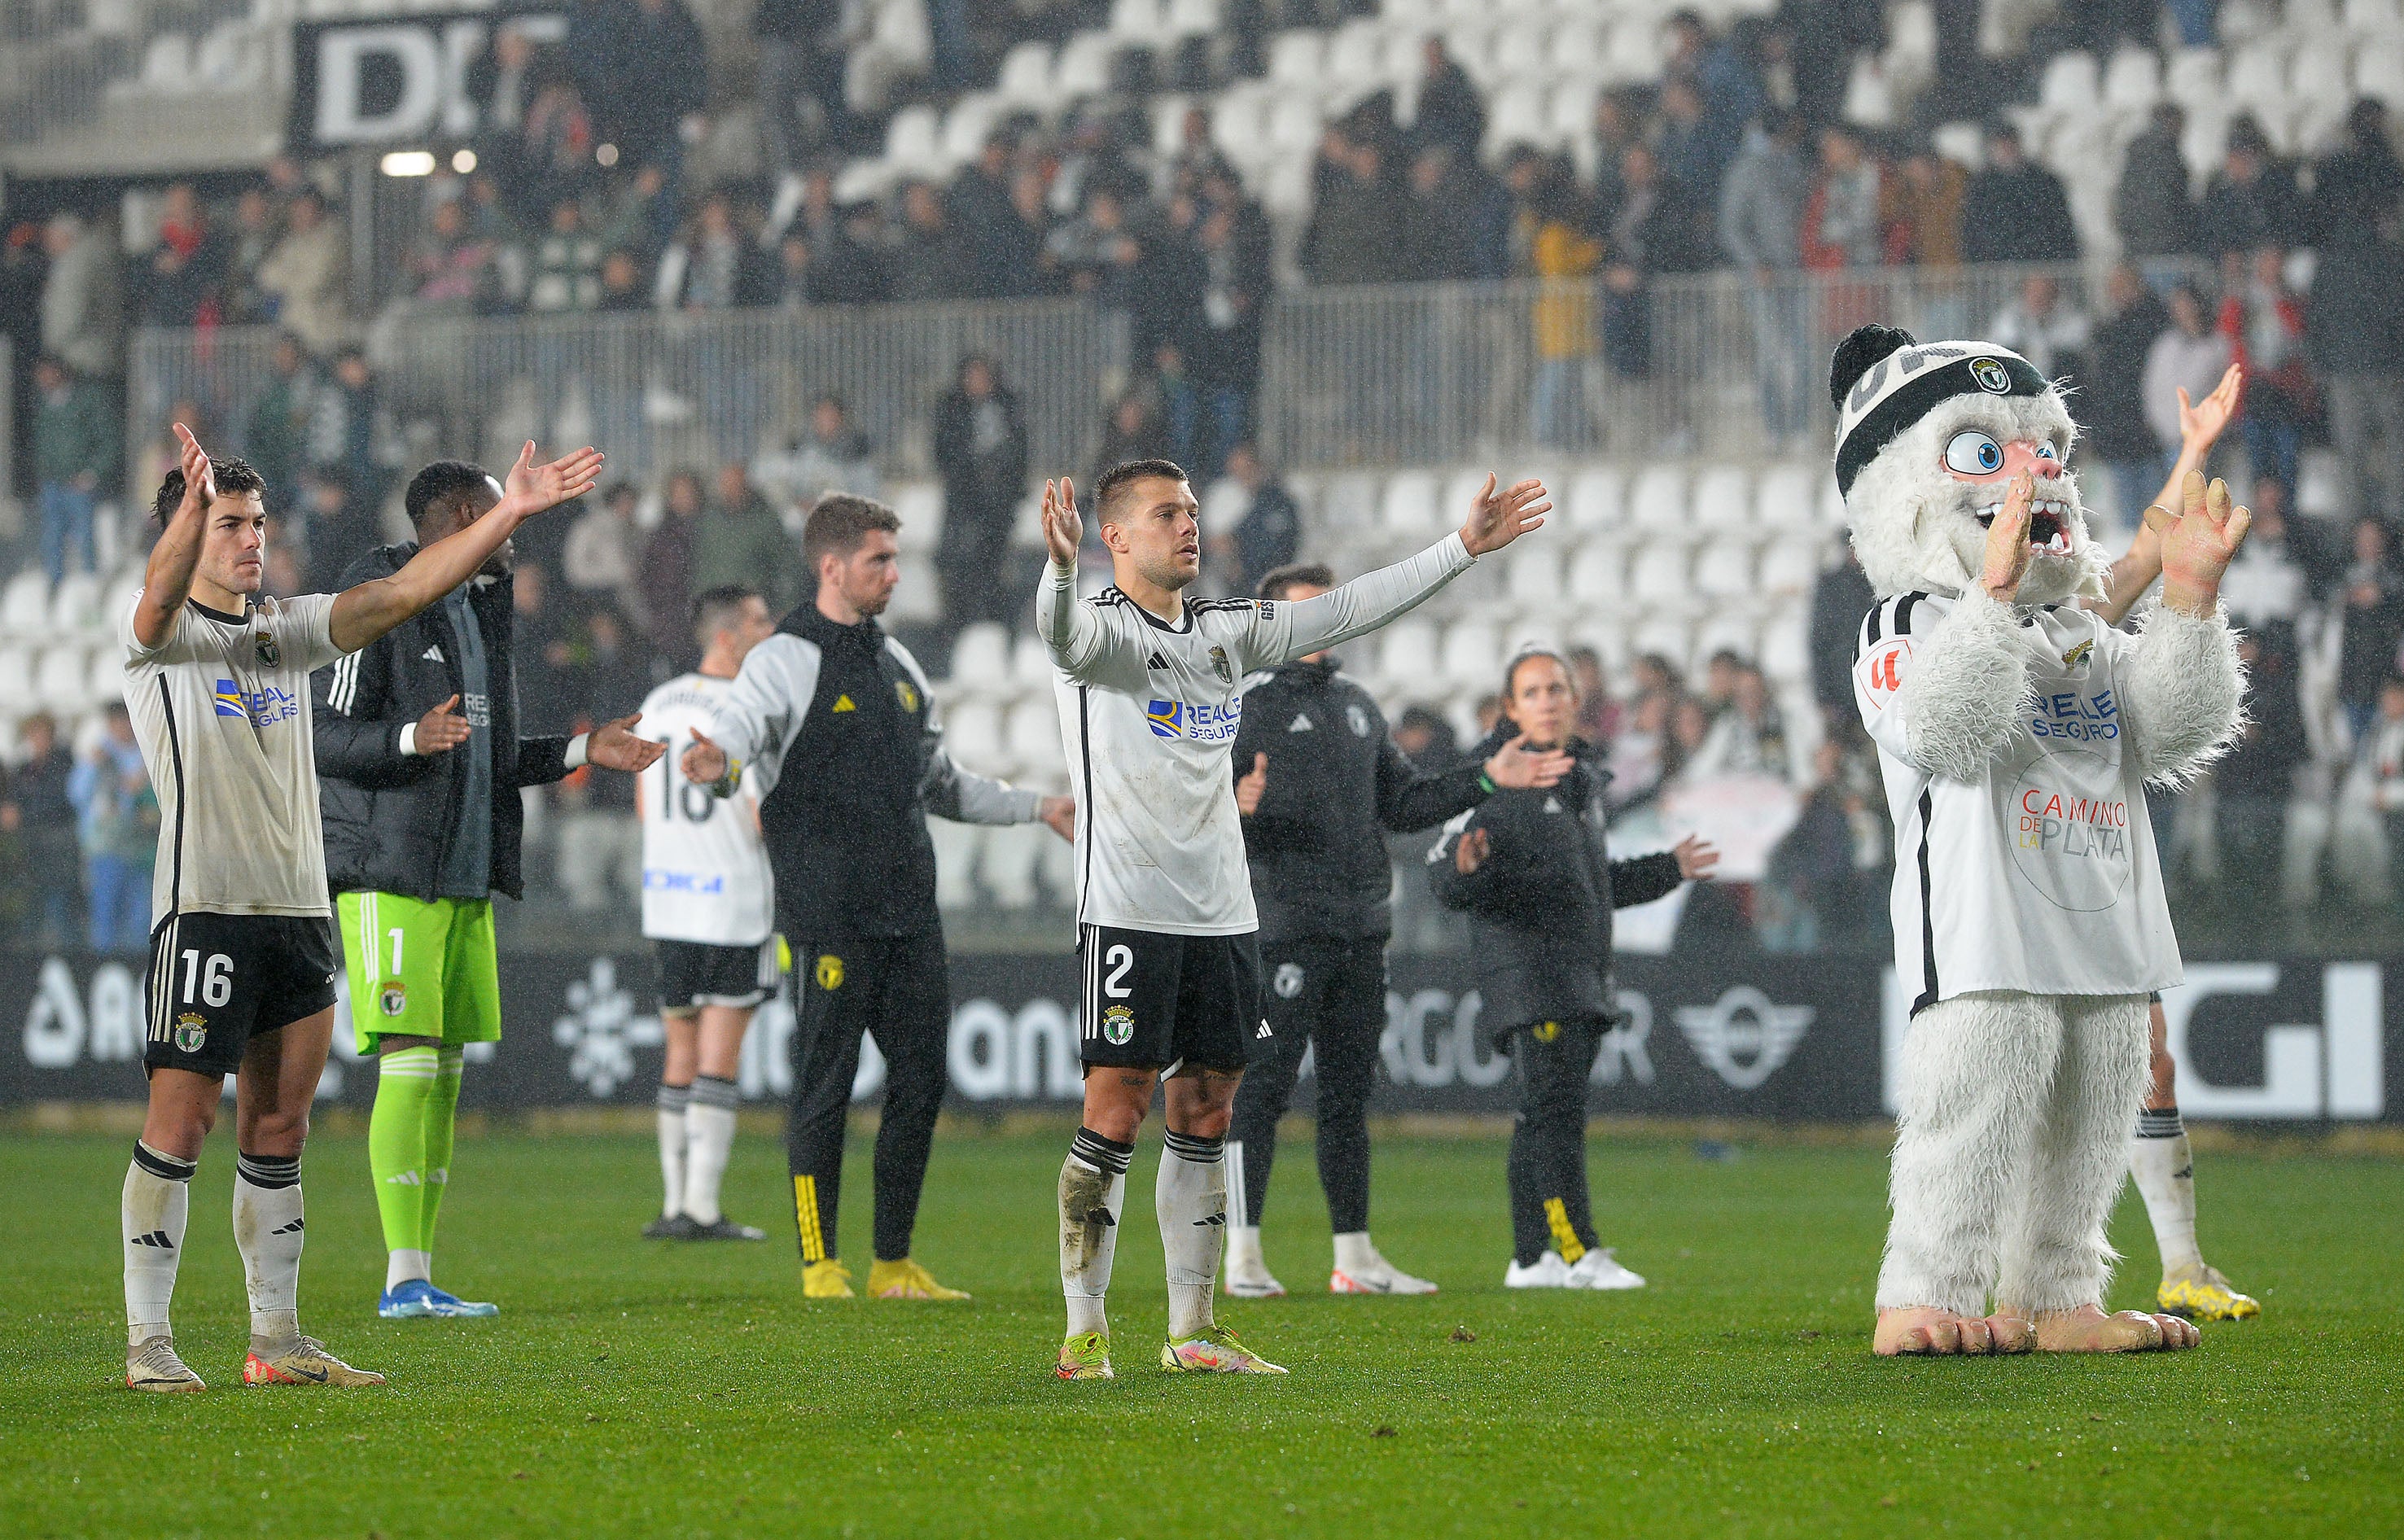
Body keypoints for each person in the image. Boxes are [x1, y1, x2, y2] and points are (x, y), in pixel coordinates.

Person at [1033, 458, 1551, 1380]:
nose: (1188, 525)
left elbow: (1347, 609)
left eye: (1192, 509)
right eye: (1165, 513)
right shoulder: (1105, 634)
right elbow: (1063, 638)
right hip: (1129, 910)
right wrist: (1062, 570)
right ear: (1115, 536)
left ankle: (1193, 1326)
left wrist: (1461, 548)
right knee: (1115, 1109)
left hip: (1227, 916)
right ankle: (1084, 1329)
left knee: (1209, 1106)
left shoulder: (1227, 632)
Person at [117, 424, 594, 1392]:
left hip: (298, 910)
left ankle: (277, 1339)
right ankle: (150, 1341)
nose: (254, 538)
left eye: (257, 522)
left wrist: (510, 510)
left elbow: (406, 590)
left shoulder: (283, 628)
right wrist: (191, 512)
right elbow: (160, 589)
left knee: (281, 1128)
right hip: (206, 904)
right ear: (187, 534)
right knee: (181, 1125)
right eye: (231, 524)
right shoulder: (162, 638)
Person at [1830, 321, 2237, 1357]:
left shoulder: (2082, 629)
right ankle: (1924, 1289)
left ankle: (2056, 1295)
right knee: (1973, 1097)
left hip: (2103, 911)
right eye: (1988, 453)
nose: (2033, 475)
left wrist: (2188, 602)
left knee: (2098, 1106)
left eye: (2044, 450)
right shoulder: (1906, 620)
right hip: (1981, 927)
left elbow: (2169, 733)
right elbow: (1944, 731)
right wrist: (1994, 594)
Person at [680, 496, 1073, 1301]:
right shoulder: (784, 659)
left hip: (908, 910)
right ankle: (820, 1261)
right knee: (824, 1082)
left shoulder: (898, 663)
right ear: (831, 567)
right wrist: (715, 763)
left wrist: (1039, 805)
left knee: (922, 1080)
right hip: (828, 912)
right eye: (878, 561)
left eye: (896, 559)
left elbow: (939, 781)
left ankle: (893, 1262)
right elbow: (741, 732)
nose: (894, 573)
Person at [313, 458, 664, 1321]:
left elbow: (493, 756)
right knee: (409, 1058)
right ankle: (401, 1279)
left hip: (462, 872)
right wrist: (405, 736)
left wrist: (585, 749)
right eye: (508, 516)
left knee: (442, 1071)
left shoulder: (479, 610)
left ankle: (418, 1271)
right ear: (468, 514)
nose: (519, 539)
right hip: (390, 869)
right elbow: (319, 731)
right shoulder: (382, 586)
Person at [1223, 564, 1574, 1300]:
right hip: (1285, 928)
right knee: (1263, 1091)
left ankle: (1354, 1256)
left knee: (1349, 1097)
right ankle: (1242, 1255)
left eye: (1328, 608)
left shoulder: (1357, 706)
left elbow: (1407, 804)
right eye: (1304, 611)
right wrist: (1235, 807)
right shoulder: (1247, 709)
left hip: (1359, 930)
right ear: (1272, 626)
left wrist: (1485, 776)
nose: (1323, 622)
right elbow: (1202, 813)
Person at [1429, 649, 1717, 1290]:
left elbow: (1596, 885)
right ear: (1510, 709)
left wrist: (1667, 868)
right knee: (1554, 1116)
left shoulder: (1574, 783)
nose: (1548, 700)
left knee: (1541, 1116)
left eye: (1557, 688)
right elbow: (1443, 873)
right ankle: (1573, 1250)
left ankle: (1530, 1257)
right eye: (1532, 692)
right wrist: (1461, 867)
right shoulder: (1496, 782)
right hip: (1532, 977)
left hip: (1575, 974)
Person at [639, 587, 780, 1241]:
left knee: (679, 1052)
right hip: (729, 900)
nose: (768, 628)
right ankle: (700, 1207)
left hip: (668, 898)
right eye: (757, 620)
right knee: (719, 1056)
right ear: (728, 636)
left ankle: (673, 1205)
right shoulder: (741, 711)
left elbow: (645, 806)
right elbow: (759, 816)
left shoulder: (659, 704)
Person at [931, 356, 1030, 637]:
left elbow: (1019, 455)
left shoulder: (1008, 408)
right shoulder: (952, 410)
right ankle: (958, 624)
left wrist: (1003, 484)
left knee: (993, 568)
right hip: (964, 503)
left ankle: (992, 624)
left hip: (998, 505)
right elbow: (945, 454)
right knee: (959, 566)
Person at [70, 702, 157, 953]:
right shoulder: (99, 756)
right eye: (116, 722)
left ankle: (137, 972)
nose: (122, 727)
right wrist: (91, 766)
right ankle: (103, 969)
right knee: (105, 916)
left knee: (140, 918)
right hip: (105, 850)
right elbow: (76, 795)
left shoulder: (147, 755)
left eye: (125, 721)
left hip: (142, 851)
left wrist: (141, 785)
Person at [33, 354, 118, 585]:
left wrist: (93, 473)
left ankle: (90, 586)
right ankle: (55, 587)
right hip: (52, 483)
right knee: (52, 539)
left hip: (79, 485)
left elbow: (108, 440)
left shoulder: (87, 400)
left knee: (85, 538)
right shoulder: (44, 405)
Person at [6, 713, 83, 946]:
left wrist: (23, 814)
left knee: (61, 911)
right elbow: (14, 799)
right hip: (32, 851)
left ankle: (72, 964)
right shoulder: (24, 769)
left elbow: (59, 802)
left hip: (58, 848)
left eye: (42, 733)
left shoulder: (64, 763)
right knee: (33, 912)